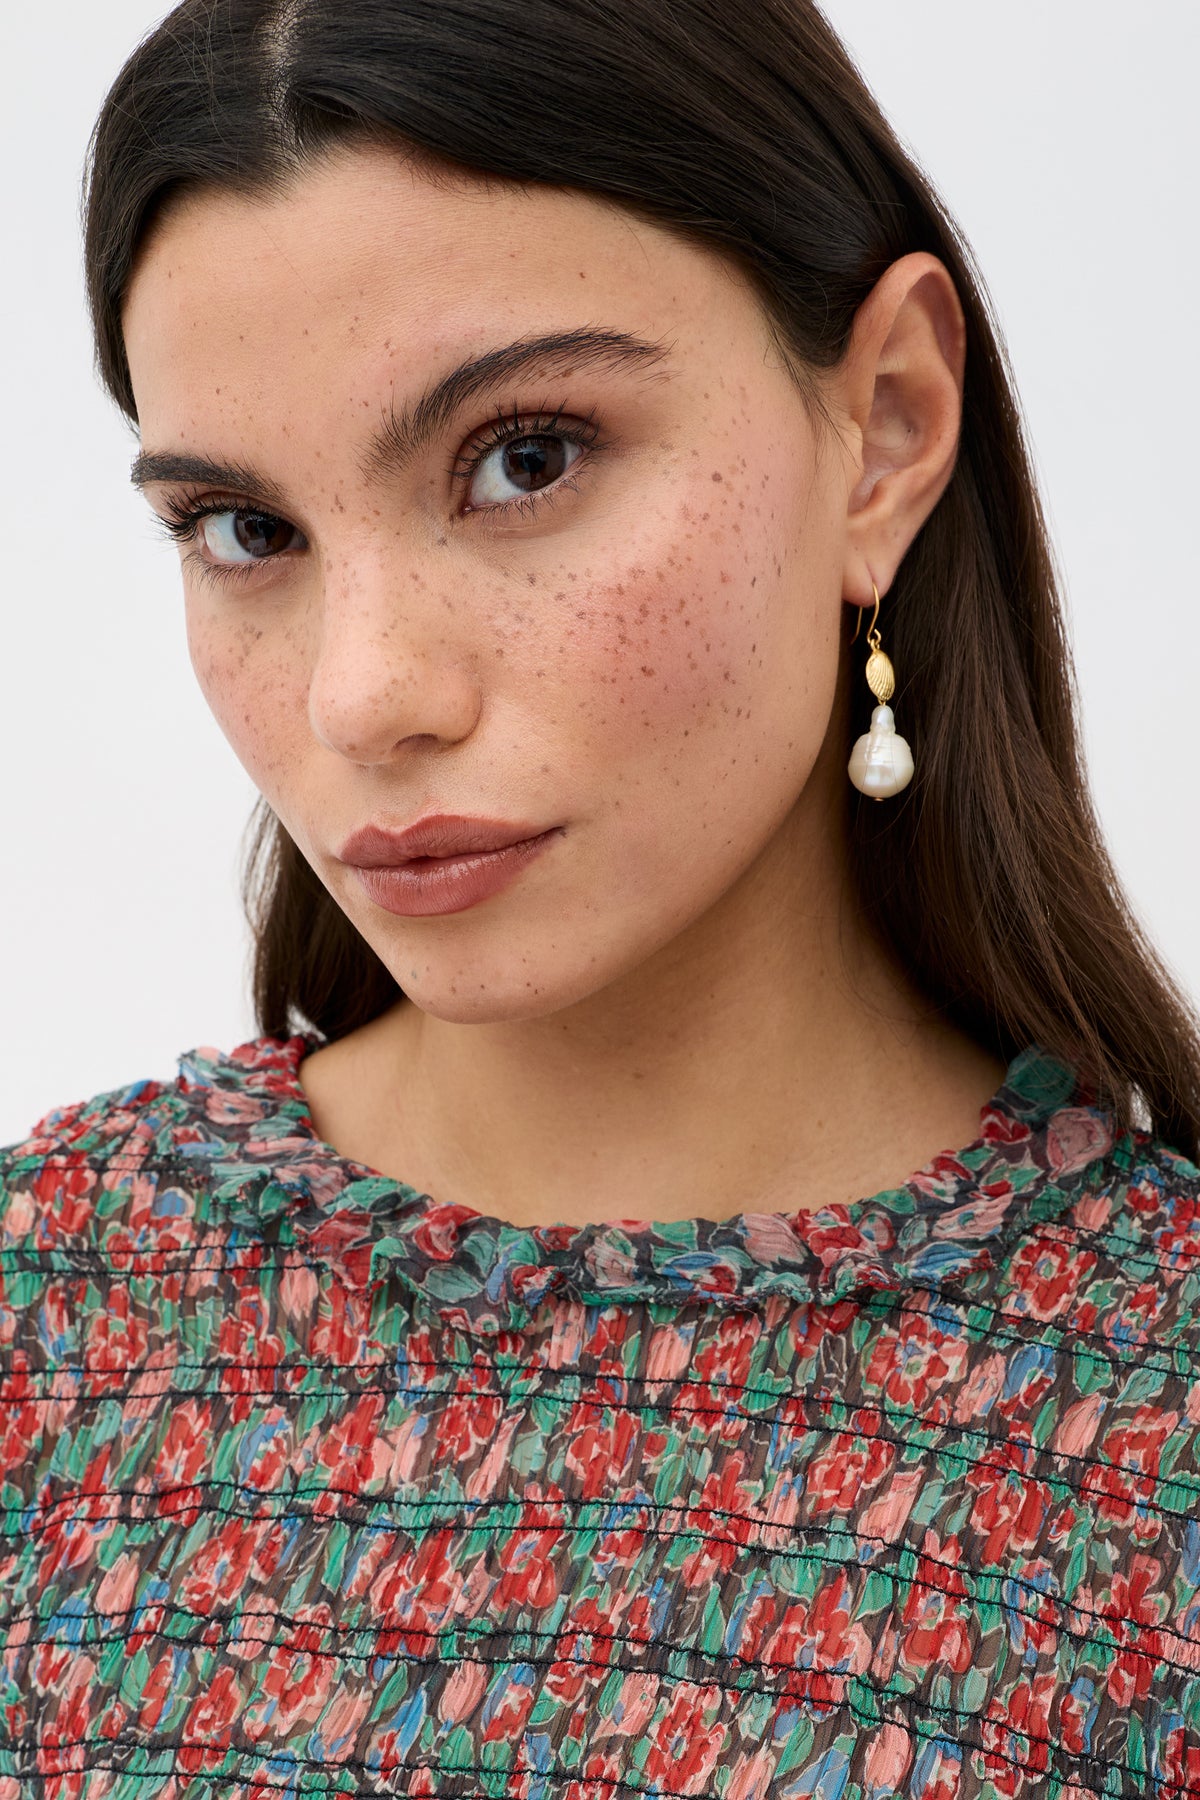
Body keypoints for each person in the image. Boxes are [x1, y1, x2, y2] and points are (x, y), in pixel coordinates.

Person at [3, 0, 1199, 1793]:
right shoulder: (46, 1315)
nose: (363, 696)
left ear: (885, 427)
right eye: (246, 529)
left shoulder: (1158, 1417)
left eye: (528, 458)